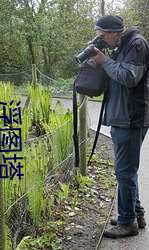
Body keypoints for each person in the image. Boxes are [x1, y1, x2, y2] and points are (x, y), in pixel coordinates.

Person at [91, 15, 149, 238]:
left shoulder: (137, 44)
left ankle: (127, 223)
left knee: (124, 171)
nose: (102, 41)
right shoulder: (120, 46)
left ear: (115, 32)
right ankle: (136, 214)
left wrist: (104, 61)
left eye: (103, 37)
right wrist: (101, 60)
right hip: (121, 117)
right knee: (126, 171)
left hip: (131, 118)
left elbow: (128, 77)